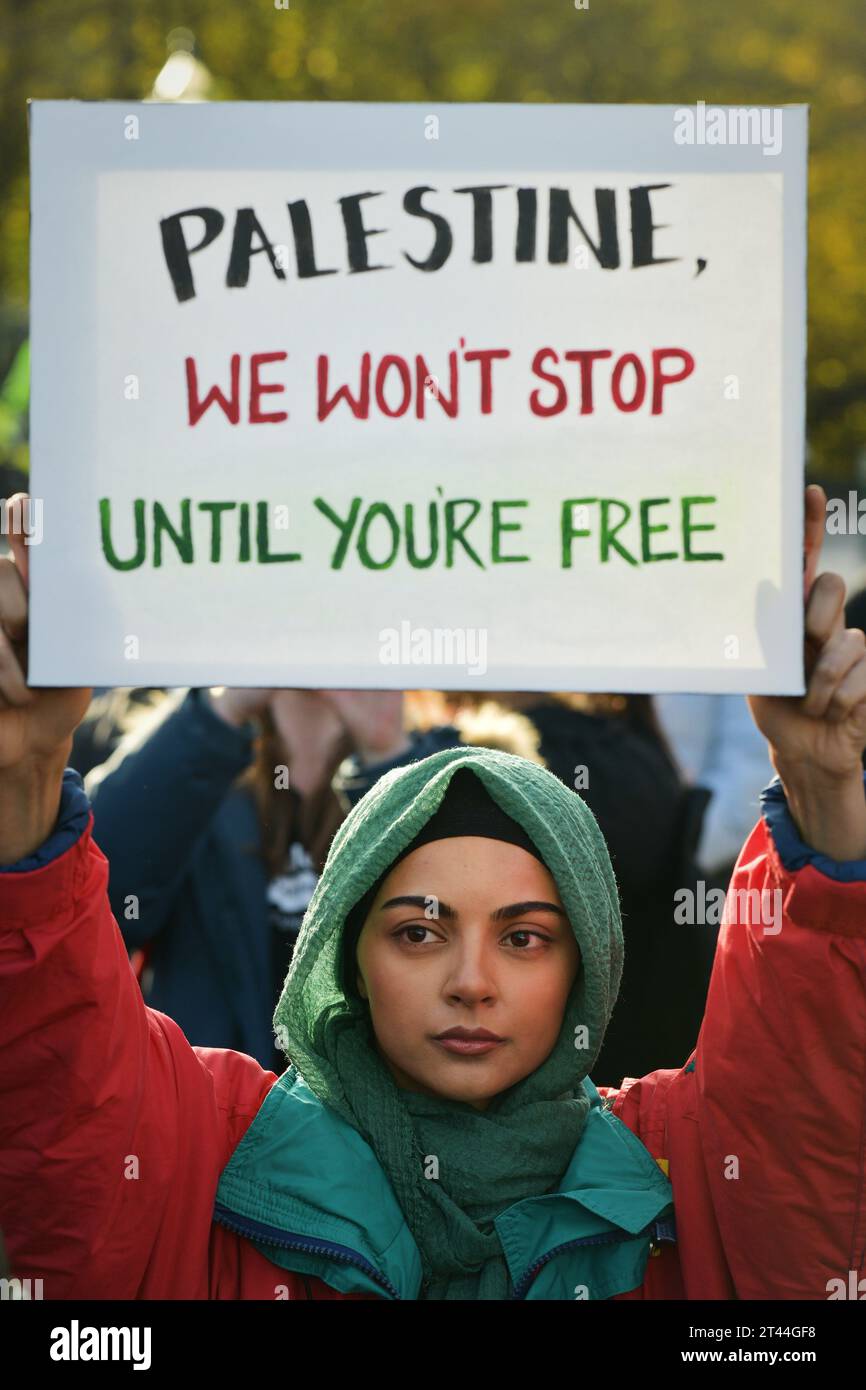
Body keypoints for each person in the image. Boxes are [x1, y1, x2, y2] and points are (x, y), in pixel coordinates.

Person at [1, 485, 866, 1300]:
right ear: (345, 949)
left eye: (525, 937)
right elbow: (63, 1047)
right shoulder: (202, 1158)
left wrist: (823, 792)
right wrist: (32, 772)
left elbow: (803, 1084)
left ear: (588, 968)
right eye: (418, 933)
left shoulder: (687, 1178)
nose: (471, 982)